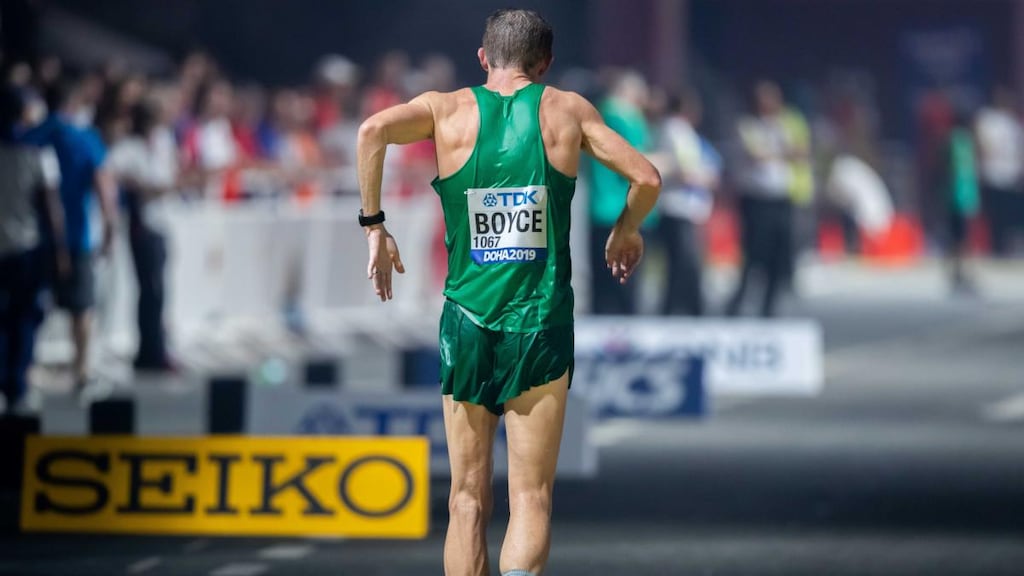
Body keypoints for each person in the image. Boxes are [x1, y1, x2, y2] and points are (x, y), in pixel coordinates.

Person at [356, 9, 660, 575]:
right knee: (531, 497)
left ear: (482, 57)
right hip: (541, 324)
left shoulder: (443, 109)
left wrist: (374, 226)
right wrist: (626, 229)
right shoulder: (565, 110)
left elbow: (371, 130)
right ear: (544, 65)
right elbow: (647, 178)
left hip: (466, 320)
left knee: (466, 500)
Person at [19, 80, 117, 392]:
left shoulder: (30, 136)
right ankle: (83, 371)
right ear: (74, 102)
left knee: (30, 307)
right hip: (76, 236)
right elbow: (104, 185)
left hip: (29, 237)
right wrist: (110, 229)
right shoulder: (84, 138)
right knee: (81, 308)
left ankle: (25, 371)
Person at [0, 88, 63, 413]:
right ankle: (16, 383)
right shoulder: (38, 152)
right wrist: (59, 249)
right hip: (26, 245)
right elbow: (51, 206)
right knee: (23, 317)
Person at [107, 99, 178, 371]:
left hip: (161, 223)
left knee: (159, 291)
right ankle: (150, 351)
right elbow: (112, 172)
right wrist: (139, 187)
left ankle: (155, 348)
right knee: (150, 289)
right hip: (142, 226)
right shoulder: (128, 149)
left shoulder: (161, 144)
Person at [727, 81, 796, 317]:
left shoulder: (780, 126)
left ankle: (770, 306)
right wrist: (782, 152)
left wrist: (781, 152)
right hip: (756, 200)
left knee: (778, 255)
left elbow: (799, 152)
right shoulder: (747, 126)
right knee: (754, 254)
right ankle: (737, 305)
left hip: (780, 198)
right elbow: (756, 154)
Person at [587, 70, 652, 315]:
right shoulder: (624, 117)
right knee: (626, 287)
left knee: (602, 286)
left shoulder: (597, 116)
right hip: (625, 210)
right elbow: (636, 162)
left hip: (600, 208)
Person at [654, 89, 720, 316]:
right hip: (677, 206)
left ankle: (684, 309)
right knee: (683, 265)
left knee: (683, 265)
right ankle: (681, 311)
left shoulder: (680, 131)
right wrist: (703, 177)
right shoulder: (675, 130)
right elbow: (684, 169)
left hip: (686, 208)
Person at [975, 86, 1024, 256]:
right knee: (994, 215)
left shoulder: (1012, 122)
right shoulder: (988, 119)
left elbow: (1018, 147)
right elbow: (983, 144)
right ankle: (995, 247)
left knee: (1009, 213)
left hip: (1010, 174)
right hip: (992, 173)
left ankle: (1006, 246)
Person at [943, 110, 980, 294]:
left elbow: (946, 168)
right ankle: (964, 274)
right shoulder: (968, 141)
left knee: (957, 238)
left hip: (955, 194)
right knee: (964, 238)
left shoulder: (952, 140)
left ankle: (956, 274)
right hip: (966, 194)